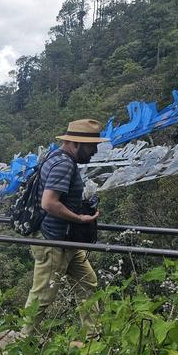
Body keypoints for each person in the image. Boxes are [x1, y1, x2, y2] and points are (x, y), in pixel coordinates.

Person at [24, 118, 106, 334]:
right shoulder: (64, 164)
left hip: (65, 239)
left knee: (87, 282)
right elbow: (49, 202)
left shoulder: (55, 157)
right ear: (76, 143)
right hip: (53, 241)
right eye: (92, 146)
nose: (95, 151)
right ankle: (21, 346)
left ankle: (93, 338)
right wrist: (79, 218)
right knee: (42, 297)